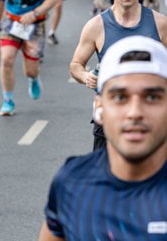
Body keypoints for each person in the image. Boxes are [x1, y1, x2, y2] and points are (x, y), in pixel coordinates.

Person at [38, 35, 167, 241]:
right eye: (120, 97)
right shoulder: (72, 182)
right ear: (99, 106)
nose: (134, 112)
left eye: (152, 97)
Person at [70, 0, 167, 150]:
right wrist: (85, 76)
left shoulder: (160, 23)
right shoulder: (96, 26)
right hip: (109, 114)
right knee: (104, 176)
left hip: (150, 114)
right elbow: (75, 64)